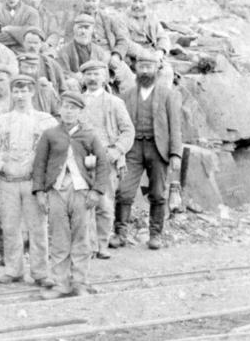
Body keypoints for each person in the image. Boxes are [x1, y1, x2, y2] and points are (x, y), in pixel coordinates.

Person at [32, 91, 111, 298]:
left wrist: (96, 191)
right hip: (57, 192)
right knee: (59, 238)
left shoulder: (89, 135)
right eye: (65, 107)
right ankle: (61, 283)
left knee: (81, 238)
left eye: (73, 108)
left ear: (80, 111)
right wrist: (40, 192)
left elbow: (103, 164)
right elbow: (39, 165)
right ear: (59, 109)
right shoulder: (49, 135)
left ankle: (80, 282)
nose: (68, 112)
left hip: (82, 193)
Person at [0, 75, 57, 288]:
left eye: (25, 91)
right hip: (8, 181)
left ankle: (40, 272)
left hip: (32, 183)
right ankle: (13, 269)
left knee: (37, 227)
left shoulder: (45, 120)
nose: (20, 96)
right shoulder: (3, 120)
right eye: (16, 91)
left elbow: (54, 152)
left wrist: (44, 182)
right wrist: (1, 165)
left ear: (32, 92)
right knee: (10, 226)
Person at [116, 51, 183, 250]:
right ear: (136, 69)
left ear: (156, 70)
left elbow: (175, 126)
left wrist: (175, 154)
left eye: (149, 67)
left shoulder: (168, 94)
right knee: (124, 191)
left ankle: (155, 235)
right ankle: (120, 233)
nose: (145, 71)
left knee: (158, 193)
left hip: (158, 148)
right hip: (133, 148)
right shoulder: (127, 95)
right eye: (142, 67)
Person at [79, 60, 135, 258]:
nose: (93, 78)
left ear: (104, 77)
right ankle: (88, 246)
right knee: (83, 204)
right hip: (81, 160)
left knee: (104, 204)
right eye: (89, 74)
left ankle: (102, 244)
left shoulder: (115, 102)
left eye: (96, 74)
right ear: (83, 78)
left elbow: (128, 131)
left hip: (106, 160)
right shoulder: (76, 102)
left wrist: (117, 150)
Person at [66, 0, 131, 59]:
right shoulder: (74, 19)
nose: (91, 4)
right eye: (87, 1)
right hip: (84, 56)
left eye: (94, 1)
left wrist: (117, 55)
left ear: (98, 1)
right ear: (81, 0)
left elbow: (123, 40)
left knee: (124, 70)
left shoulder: (109, 18)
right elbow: (68, 41)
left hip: (108, 54)